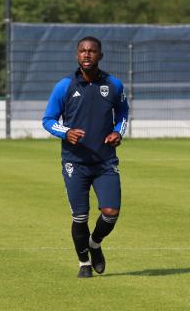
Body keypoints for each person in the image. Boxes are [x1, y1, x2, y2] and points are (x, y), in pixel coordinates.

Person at [42, 36, 129, 278]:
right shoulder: (65, 86)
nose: (87, 54)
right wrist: (66, 132)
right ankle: (83, 263)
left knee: (111, 212)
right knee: (80, 216)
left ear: (100, 55)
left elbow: (123, 113)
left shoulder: (114, 85)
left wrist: (117, 132)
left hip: (105, 161)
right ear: (77, 55)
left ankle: (95, 244)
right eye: (82, 51)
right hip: (75, 163)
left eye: (92, 51)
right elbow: (48, 120)